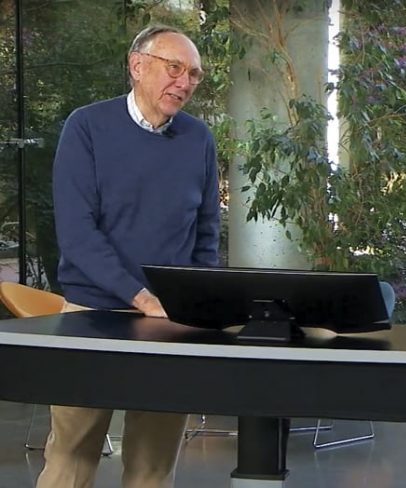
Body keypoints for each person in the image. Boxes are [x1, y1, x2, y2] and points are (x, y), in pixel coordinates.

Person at [39, 24, 220, 488]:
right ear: (137, 66)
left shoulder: (198, 139)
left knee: (154, 467)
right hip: (92, 313)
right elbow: (78, 235)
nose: (184, 82)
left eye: (194, 75)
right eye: (174, 68)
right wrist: (141, 298)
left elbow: (206, 234)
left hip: (170, 321)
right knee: (71, 459)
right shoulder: (86, 127)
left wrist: (195, 303)